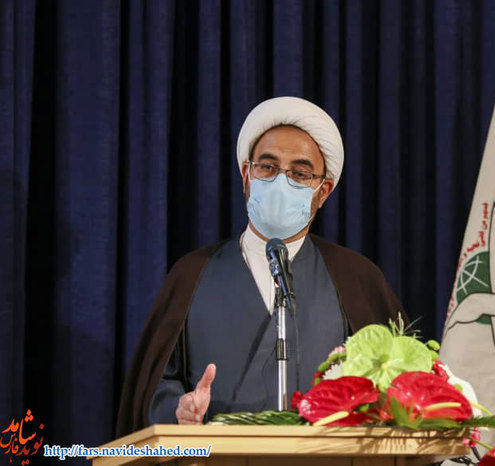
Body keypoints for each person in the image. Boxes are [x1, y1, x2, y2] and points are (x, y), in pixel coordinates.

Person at [116, 96, 406, 436]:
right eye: (267, 167)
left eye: (299, 173)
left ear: (323, 191)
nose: (281, 183)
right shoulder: (192, 274)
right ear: (246, 175)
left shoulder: (356, 278)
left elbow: (397, 392)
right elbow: (155, 387)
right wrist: (180, 411)